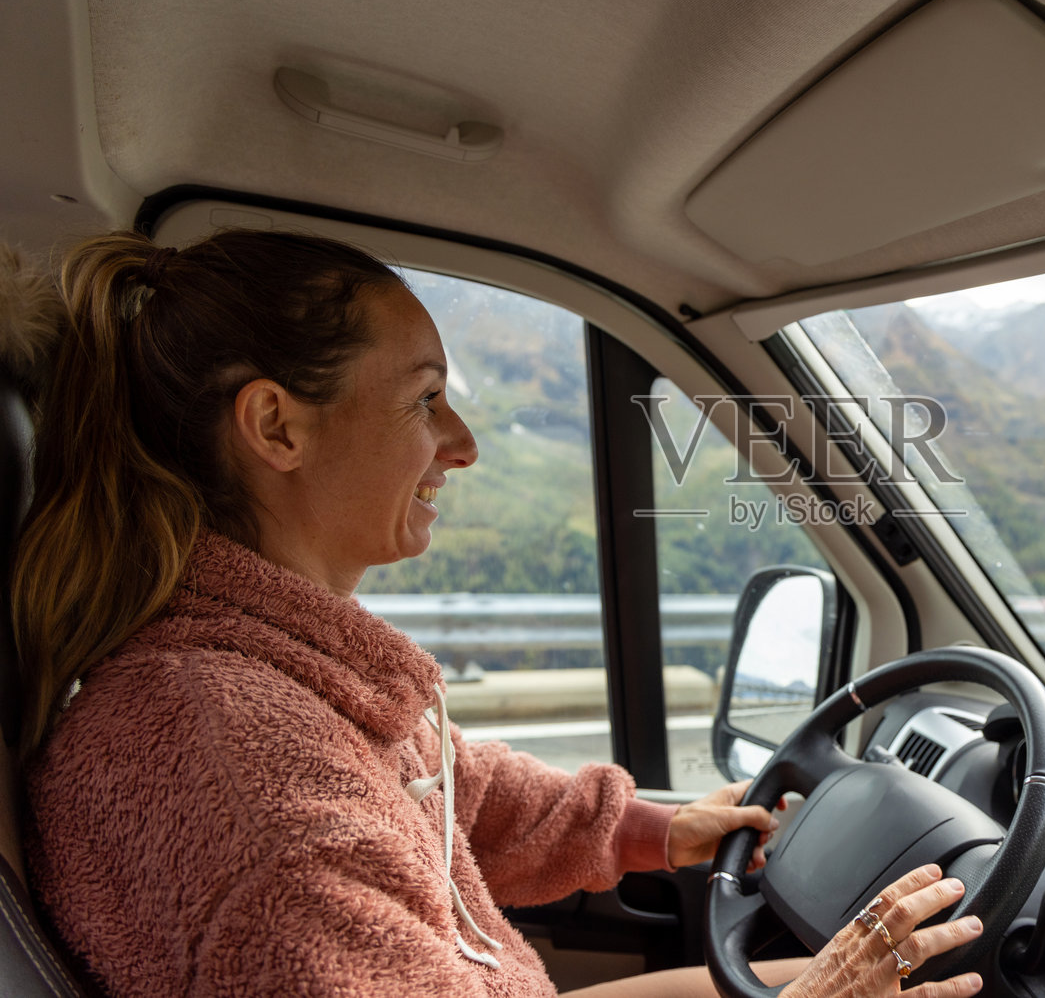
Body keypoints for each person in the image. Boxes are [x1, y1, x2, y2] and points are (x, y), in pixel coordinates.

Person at [8, 230, 985, 998]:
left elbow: (443, 790)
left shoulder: (272, 684)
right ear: (276, 424)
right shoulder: (251, 788)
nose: (462, 442)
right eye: (425, 398)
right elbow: (357, 816)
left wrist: (658, 828)